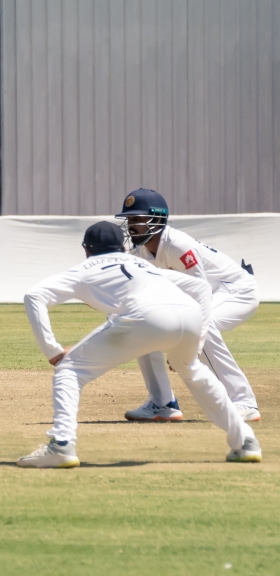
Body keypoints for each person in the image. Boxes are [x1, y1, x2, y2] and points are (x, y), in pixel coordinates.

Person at [18, 221, 261, 468]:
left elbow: (34, 295)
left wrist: (53, 350)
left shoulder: (83, 269)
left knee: (68, 370)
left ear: (87, 250)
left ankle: (61, 445)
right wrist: (197, 343)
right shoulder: (142, 263)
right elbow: (199, 286)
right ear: (123, 248)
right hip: (189, 313)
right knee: (193, 371)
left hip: (144, 316)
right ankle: (245, 441)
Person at [115, 188, 261, 423]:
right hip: (207, 295)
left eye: (137, 219)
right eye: (129, 219)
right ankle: (162, 403)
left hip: (237, 291)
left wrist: (190, 347)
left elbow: (200, 294)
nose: (131, 226)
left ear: (157, 219)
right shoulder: (140, 251)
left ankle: (243, 401)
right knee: (143, 324)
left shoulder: (178, 245)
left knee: (203, 323)